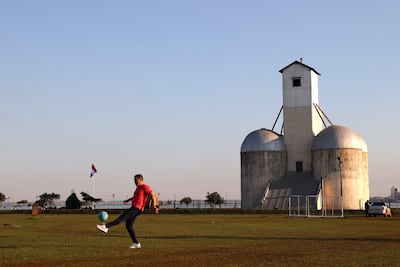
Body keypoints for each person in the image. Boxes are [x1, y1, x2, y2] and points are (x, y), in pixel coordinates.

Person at [96, 174, 159, 249]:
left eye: (136, 181)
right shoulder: (138, 188)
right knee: (129, 226)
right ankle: (136, 243)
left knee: (121, 218)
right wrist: (128, 200)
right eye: (134, 181)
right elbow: (135, 197)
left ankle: (106, 226)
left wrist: (154, 206)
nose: (134, 182)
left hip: (137, 208)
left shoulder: (145, 186)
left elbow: (152, 195)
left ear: (140, 180)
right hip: (134, 208)